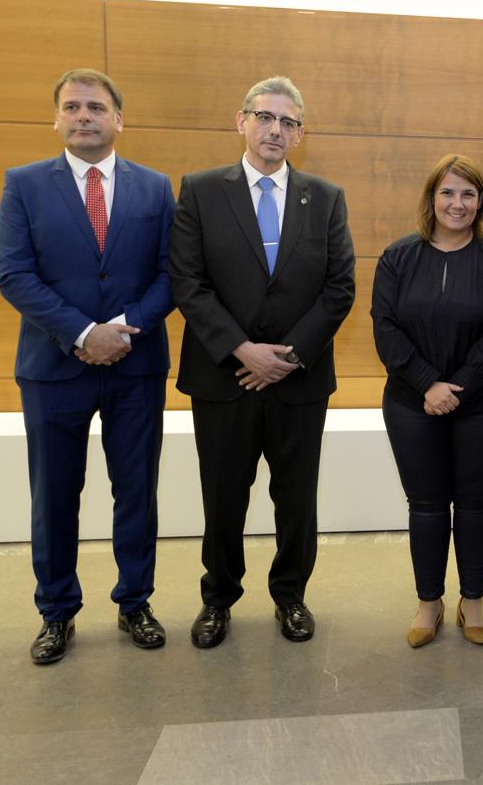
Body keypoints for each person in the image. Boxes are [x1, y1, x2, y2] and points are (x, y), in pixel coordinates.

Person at [0, 68, 175, 664]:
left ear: (118, 119)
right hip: (53, 366)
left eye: (96, 107)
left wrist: (124, 329)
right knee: (53, 495)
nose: (83, 116)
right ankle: (56, 611)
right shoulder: (23, 185)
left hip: (135, 363)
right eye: (71, 107)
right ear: (56, 118)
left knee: (137, 491)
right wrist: (82, 333)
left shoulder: (155, 188)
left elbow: (173, 273)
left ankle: (135, 602)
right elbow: (14, 274)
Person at [169, 76, 355, 648]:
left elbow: (339, 288)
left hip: (298, 381)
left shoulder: (324, 197)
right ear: (241, 121)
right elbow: (188, 281)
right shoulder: (200, 191)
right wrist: (242, 349)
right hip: (224, 379)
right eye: (265, 117)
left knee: (297, 497)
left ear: (300, 133)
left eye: (288, 122)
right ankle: (218, 599)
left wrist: (288, 356)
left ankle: (291, 595)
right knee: (223, 496)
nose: (275, 129)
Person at [371, 154, 483, 648]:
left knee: (476, 504)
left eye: (468, 194)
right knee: (427, 505)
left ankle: (472, 599)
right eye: (448, 193)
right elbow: (386, 329)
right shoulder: (397, 257)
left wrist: (454, 389)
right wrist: (427, 385)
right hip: (412, 400)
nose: (457, 204)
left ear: (481, 203)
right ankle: (429, 601)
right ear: (431, 199)